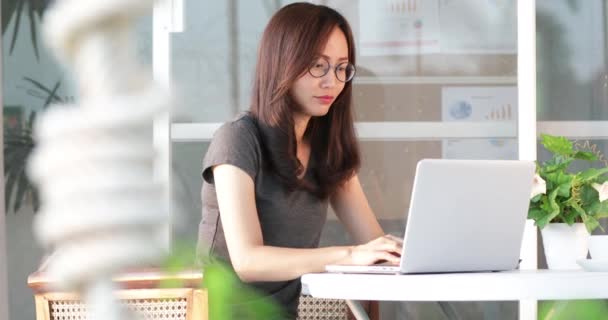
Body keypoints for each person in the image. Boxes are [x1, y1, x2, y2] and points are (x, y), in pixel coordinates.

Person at [197, 2, 402, 318]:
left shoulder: (325, 148)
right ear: (282, 64)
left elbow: (373, 243)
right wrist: (349, 255)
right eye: (317, 66)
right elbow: (248, 261)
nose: (331, 82)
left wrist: (413, 253)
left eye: (341, 68)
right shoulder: (238, 139)